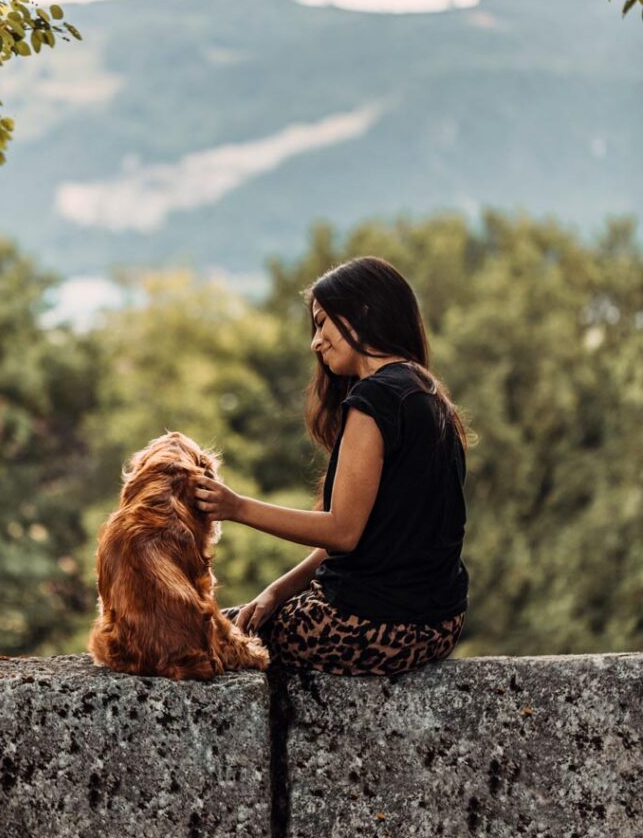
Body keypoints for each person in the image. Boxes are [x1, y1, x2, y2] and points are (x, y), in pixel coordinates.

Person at [193, 255, 471, 676]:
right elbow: (372, 529)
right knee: (239, 618)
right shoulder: (426, 392)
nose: (316, 341)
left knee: (193, 637)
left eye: (323, 323)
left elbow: (342, 531)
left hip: (372, 624)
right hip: (438, 623)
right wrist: (278, 591)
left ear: (361, 313)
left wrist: (236, 508)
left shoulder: (375, 399)